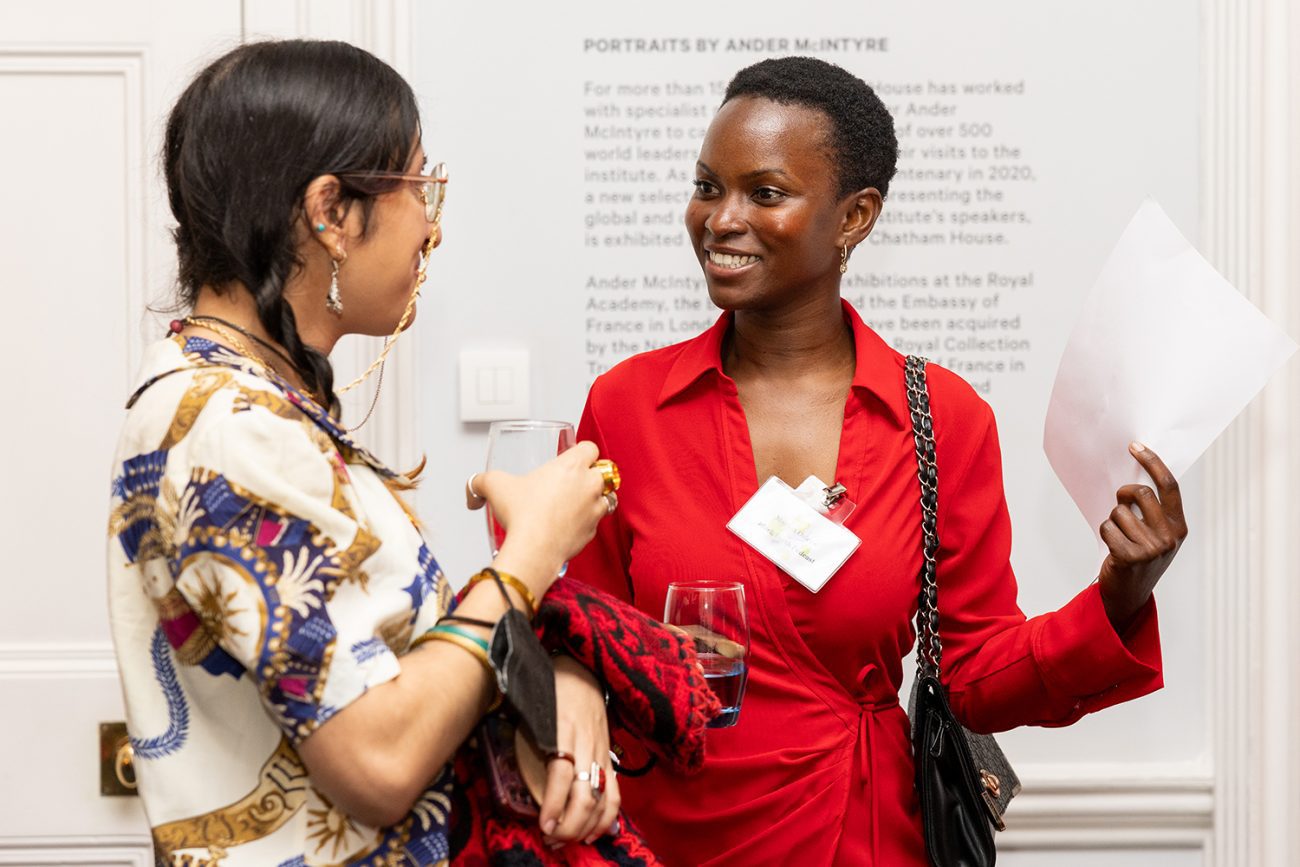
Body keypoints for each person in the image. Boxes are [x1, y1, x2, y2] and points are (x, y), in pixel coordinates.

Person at [565, 56, 1187, 865]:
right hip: (665, 837)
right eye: (708, 185)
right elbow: (582, 636)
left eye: (765, 192)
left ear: (855, 216)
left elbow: (973, 672)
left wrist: (1119, 593)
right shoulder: (628, 406)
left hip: (859, 834)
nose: (719, 218)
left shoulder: (940, 417)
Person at [107, 40, 638, 864]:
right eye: (420, 187)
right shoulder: (228, 426)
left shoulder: (244, 397)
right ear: (330, 210)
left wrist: (555, 674)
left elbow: (376, 670)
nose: (430, 226)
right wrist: (533, 549)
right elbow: (380, 760)